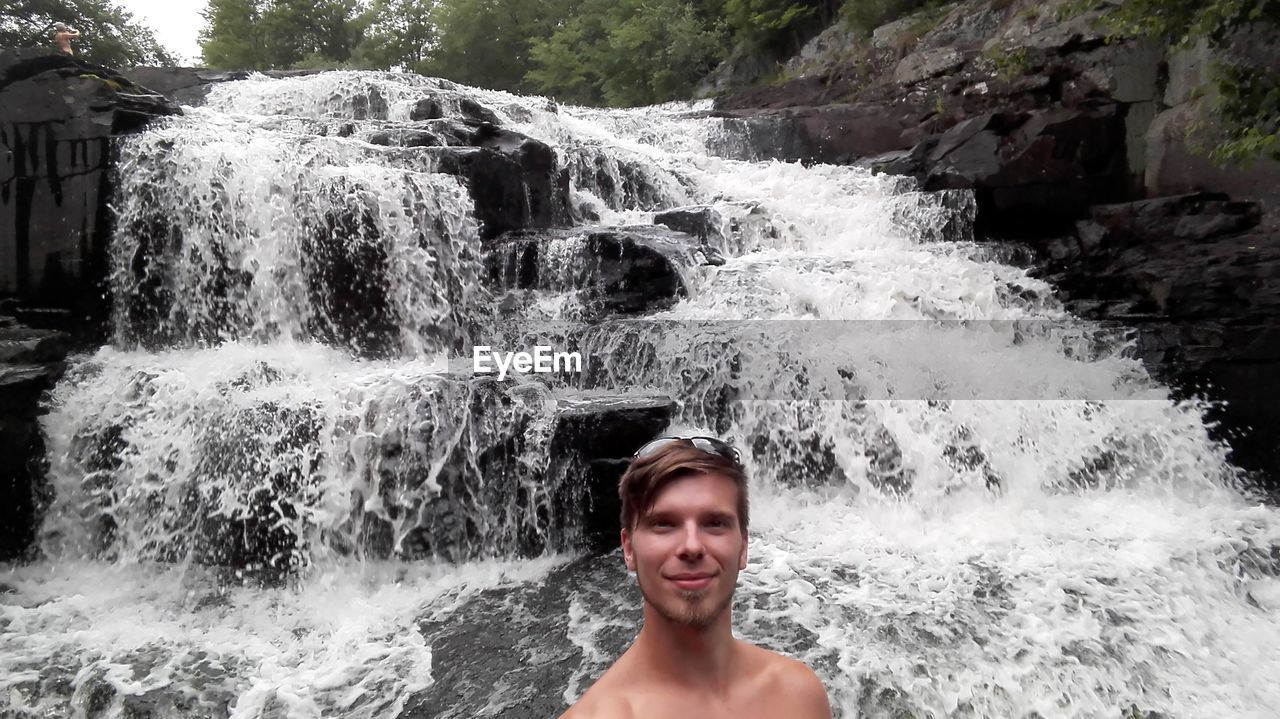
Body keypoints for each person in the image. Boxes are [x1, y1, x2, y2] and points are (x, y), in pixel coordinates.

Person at [561, 436, 832, 718]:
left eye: (715, 523)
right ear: (629, 549)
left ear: (743, 546)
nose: (691, 546)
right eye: (664, 524)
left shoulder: (799, 696)